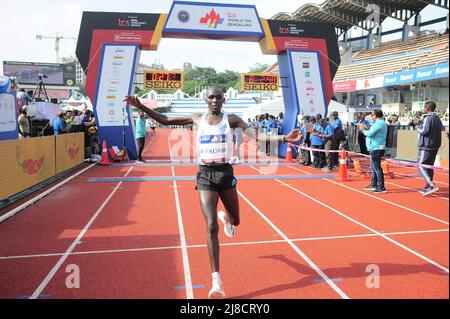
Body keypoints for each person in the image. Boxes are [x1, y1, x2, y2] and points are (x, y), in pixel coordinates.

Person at [123, 87, 302, 299]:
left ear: (224, 100)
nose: (215, 100)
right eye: (211, 97)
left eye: (218, 97)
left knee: (236, 221)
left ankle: (227, 218)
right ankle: (216, 279)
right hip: (205, 174)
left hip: (225, 173)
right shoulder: (197, 119)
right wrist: (140, 106)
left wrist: (283, 138)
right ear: (206, 100)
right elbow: (165, 119)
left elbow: (257, 136)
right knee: (210, 225)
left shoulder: (232, 119)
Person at [417, 101, 443, 196]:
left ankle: (431, 185)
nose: (423, 109)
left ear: (427, 109)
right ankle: (428, 186)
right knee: (429, 166)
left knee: (420, 165)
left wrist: (417, 128)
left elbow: (424, 130)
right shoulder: (437, 118)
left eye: (424, 108)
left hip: (426, 146)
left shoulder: (428, 118)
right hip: (435, 145)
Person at [359, 109, 388, 194]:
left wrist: (363, 129)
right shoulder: (378, 123)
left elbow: (370, 134)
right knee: (373, 167)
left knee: (377, 168)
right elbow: (372, 132)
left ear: (376, 115)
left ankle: (381, 187)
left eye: (372, 115)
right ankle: (374, 184)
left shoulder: (380, 123)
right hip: (373, 147)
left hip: (377, 148)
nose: (371, 116)